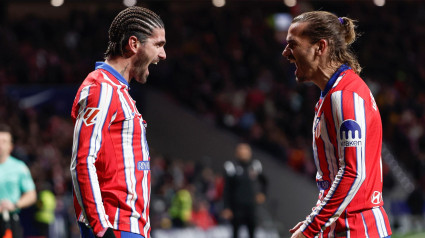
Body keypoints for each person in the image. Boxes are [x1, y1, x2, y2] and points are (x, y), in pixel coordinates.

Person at [282, 11, 392, 238]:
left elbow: (353, 173)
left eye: (292, 45)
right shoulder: (338, 91)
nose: (286, 53)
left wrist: (310, 228)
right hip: (349, 227)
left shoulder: (344, 96)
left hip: (357, 230)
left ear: (320, 47)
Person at [69, 6, 166, 238]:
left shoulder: (119, 92)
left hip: (130, 227)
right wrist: (101, 228)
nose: (163, 55)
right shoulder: (101, 88)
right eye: (159, 45)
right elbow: (82, 161)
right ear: (134, 44)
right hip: (115, 227)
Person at [222, 143, 267, 238]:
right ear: (237, 153)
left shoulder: (254, 166)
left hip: (251, 206)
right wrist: (226, 207)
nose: (244, 153)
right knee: (235, 232)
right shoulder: (232, 167)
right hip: (236, 207)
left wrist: (263, 193)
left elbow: (264, 181)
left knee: (252, 231)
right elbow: (226, 189)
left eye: (246, 151)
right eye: (241, 151)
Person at [0, 124, 37, 238]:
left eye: (4, 141)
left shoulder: (19, 167)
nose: (0, 144)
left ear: (10, 146)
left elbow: (31, 194)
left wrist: (15, 204)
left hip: (10, 221)